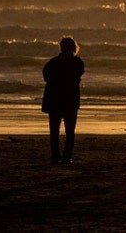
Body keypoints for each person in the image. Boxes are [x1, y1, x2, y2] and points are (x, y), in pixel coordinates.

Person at [42, 36, 85, 164]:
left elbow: (48, 76)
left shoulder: (68, 63)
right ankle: (61, 156)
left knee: (63, 130)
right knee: (62, 130)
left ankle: (63, 156)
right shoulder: (57, 62)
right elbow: (47, 76)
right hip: (64, 100)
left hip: (63, 100)